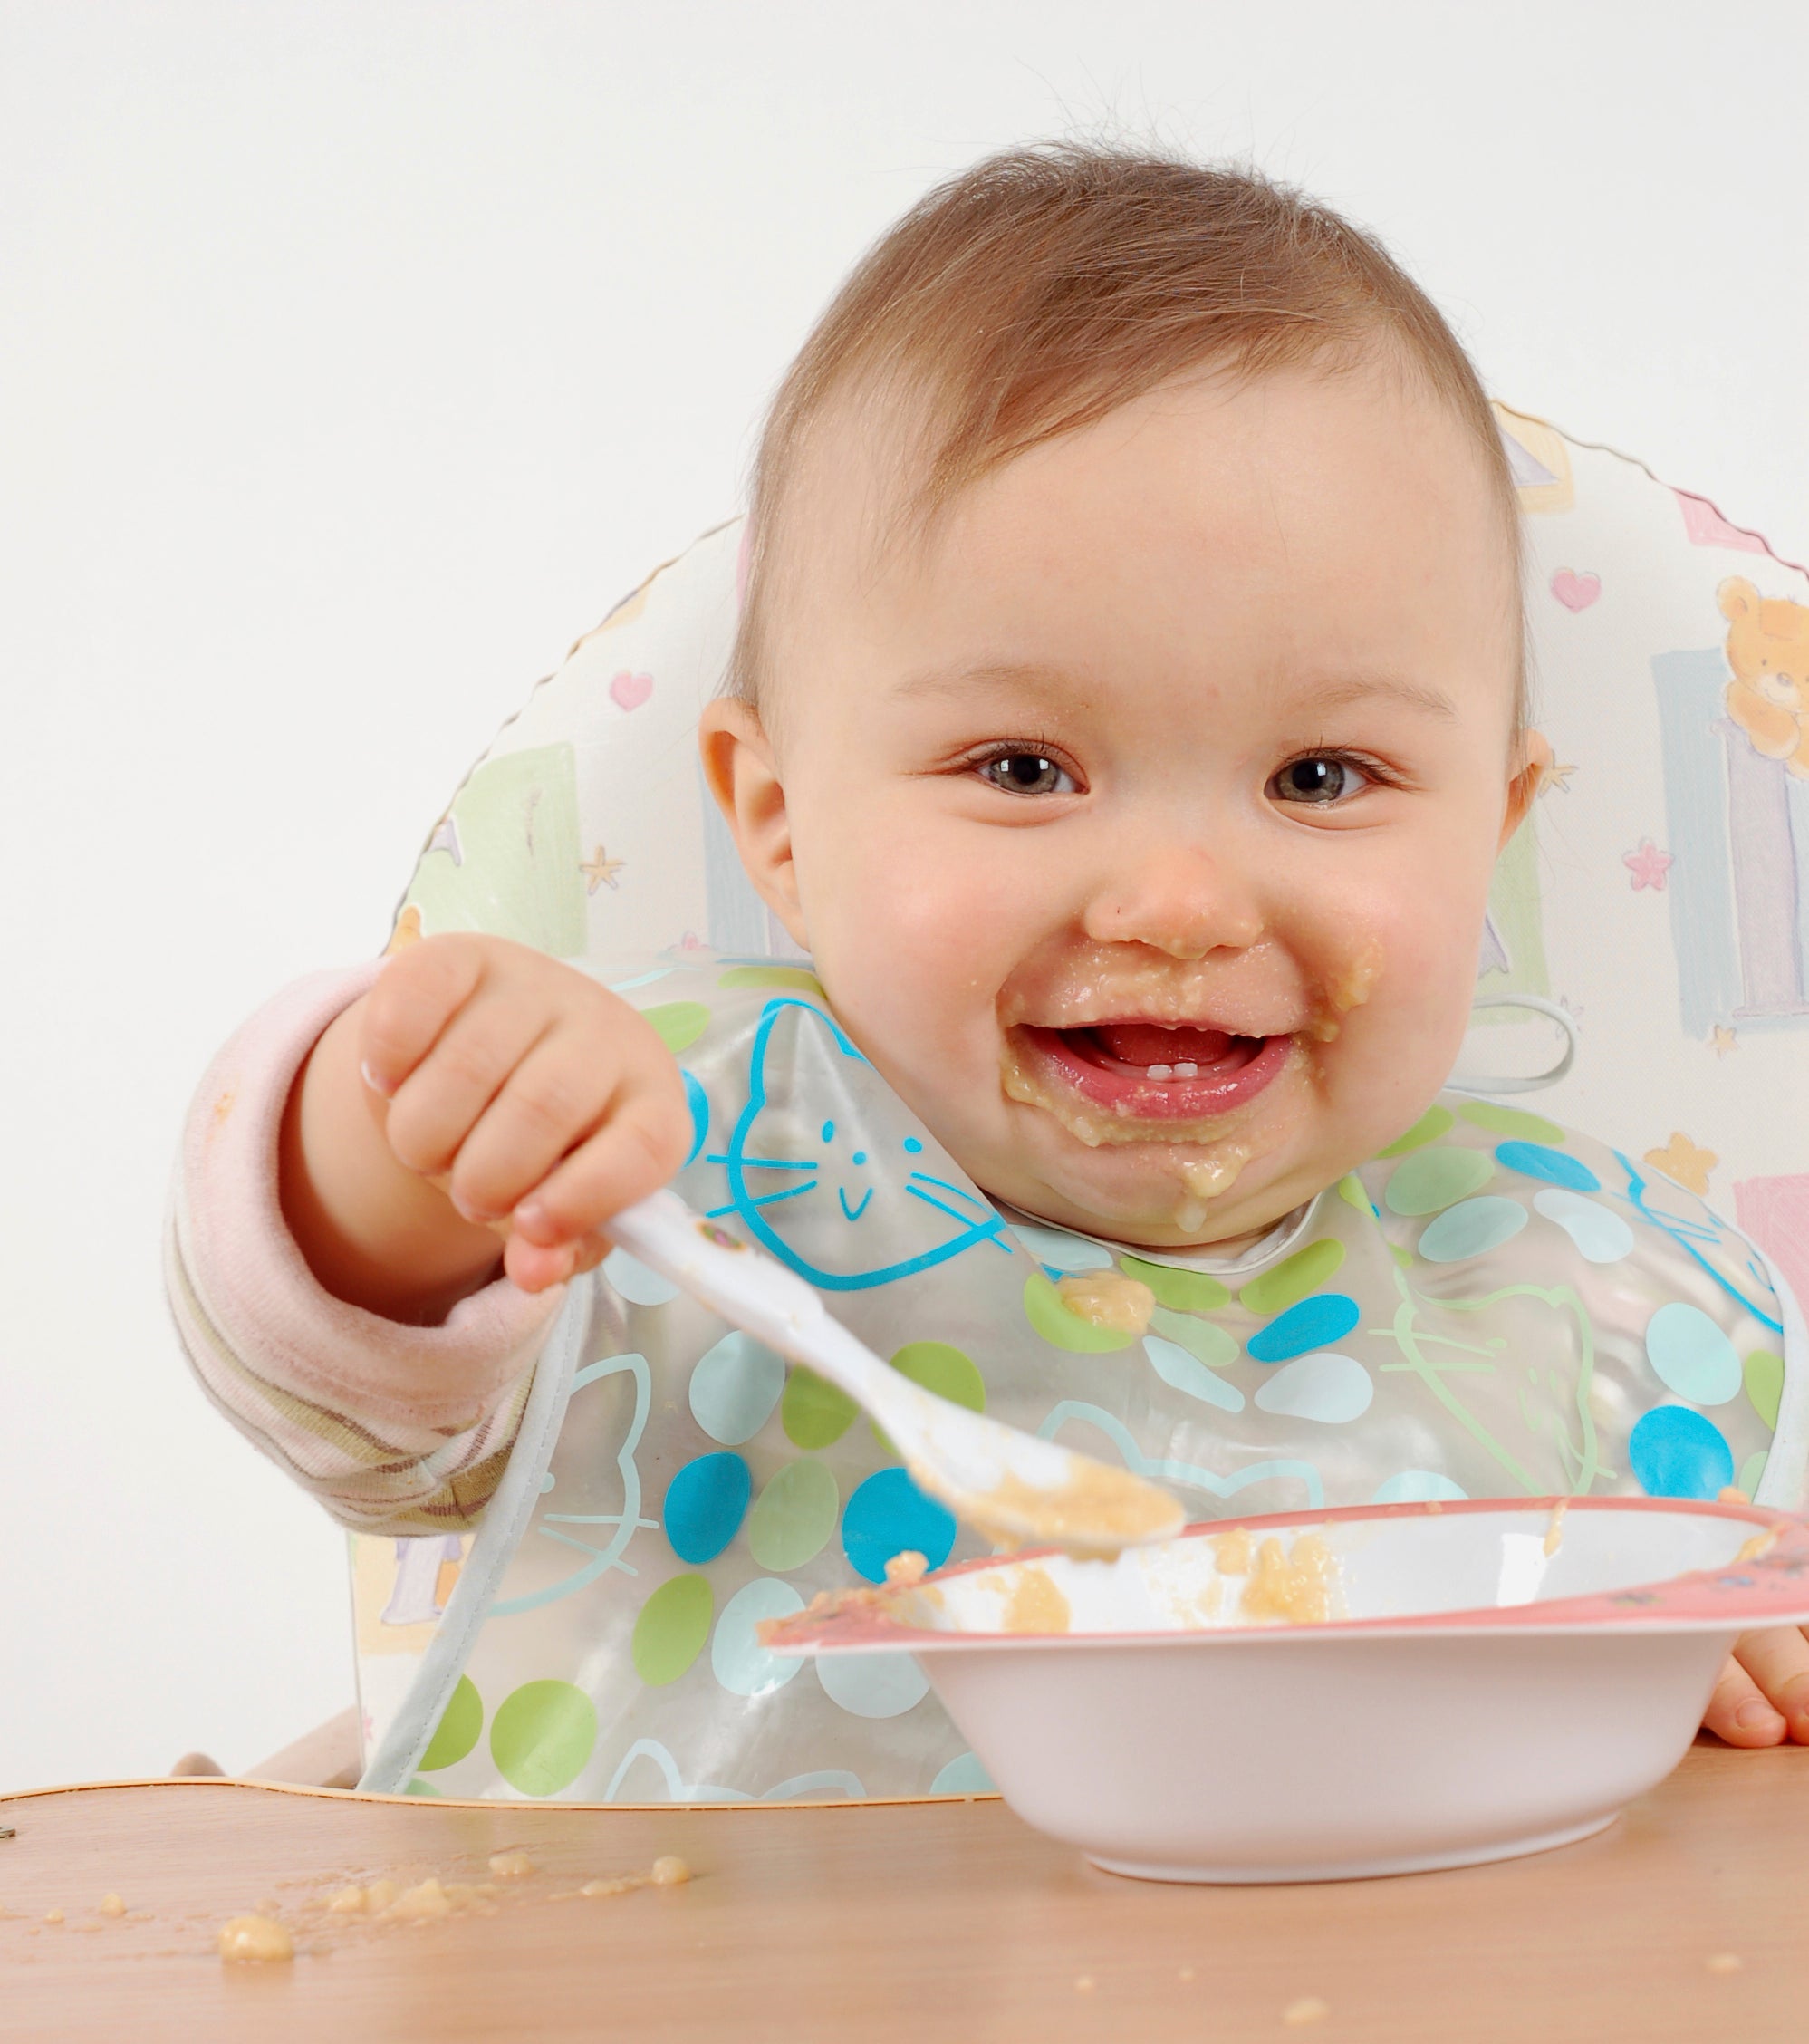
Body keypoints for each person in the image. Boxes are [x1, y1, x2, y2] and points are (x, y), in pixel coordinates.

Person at [169, 142, 1806, 1780]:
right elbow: (338, 1381)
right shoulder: (667, 1170)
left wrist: (1665, 1652)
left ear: (1491, 834)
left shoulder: (1568, 1293)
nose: (1178, 904)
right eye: (1024, 770)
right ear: (780, 822)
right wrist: (419, 1147)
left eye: (1320, 778)